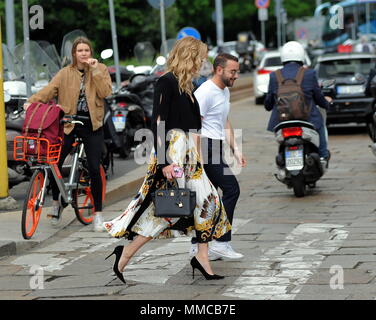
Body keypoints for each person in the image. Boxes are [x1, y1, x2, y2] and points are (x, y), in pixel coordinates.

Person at [103, 37, 231, 284]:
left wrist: (199, 160)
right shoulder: (166, 82)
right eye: (200, 58)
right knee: (166, 210)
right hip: (172, 153)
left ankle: (201, 257)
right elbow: (158, 123)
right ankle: (126, 253)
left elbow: (194, 128)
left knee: (208, 202)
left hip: (189, 156)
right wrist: (164, 163)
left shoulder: (187, 86)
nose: (202, 63)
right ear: (189, 56)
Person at [25, 37, 112, 231]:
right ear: (74, 54)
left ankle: (98, 214)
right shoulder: (65, 73)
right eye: (79, 50)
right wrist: (32, 101)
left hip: (92, 126)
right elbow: (49, 90)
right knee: (55, 163)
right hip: (68, 125)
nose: (83, 54)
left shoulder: (101, 69)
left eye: (86, 50)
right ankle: (56, 203)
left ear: (91, 53)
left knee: (94, 166)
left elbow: (106, 92)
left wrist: (96, 70)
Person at [193, 53, 246, 260]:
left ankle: (198, 245)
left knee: (209, 197)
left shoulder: (224, 91)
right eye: (233, 71)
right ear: (219, 70)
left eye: (237, 72)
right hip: (205, 148)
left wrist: (236, 149)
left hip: (216, 147)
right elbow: (194, 126)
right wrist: (197, 160)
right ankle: (221, 242)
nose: (236, 76)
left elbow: (224, 121)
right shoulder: (205, 92)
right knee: (231, 189)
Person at [264, 41, 332, 163]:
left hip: (281, 121)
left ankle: (283, 159)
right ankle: (322, 155)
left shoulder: (274, 76)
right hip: (308, 119)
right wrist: (327, 104)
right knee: (320, 125)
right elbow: (318, 97)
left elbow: (268, 105)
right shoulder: (309, 73)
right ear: (302, 55)